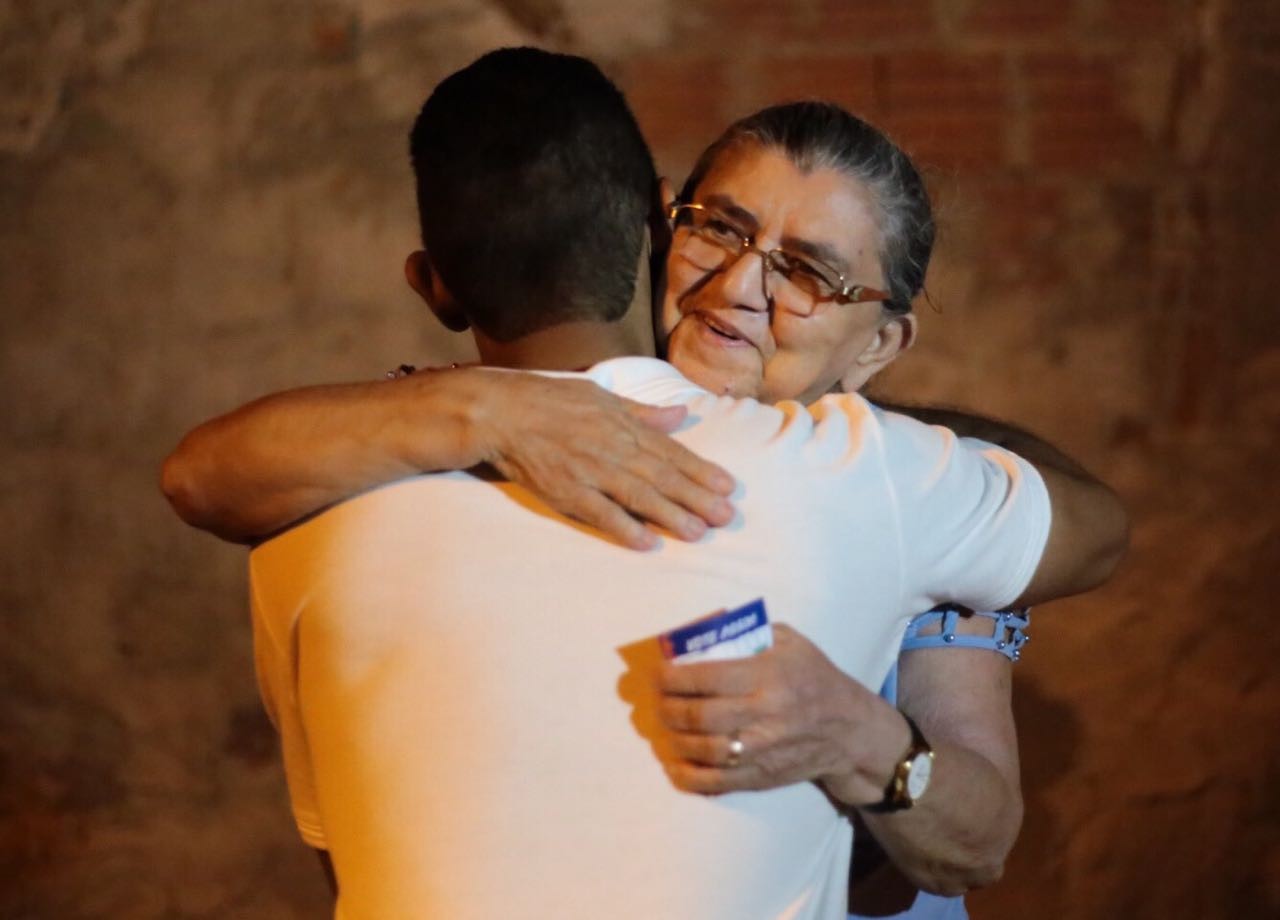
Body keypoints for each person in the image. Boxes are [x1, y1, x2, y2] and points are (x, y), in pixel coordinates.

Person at [162, 54, 1127, 919]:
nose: (741, 285)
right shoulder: (443, 445)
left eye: (806, 273)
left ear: (879, 344)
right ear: (657, 229)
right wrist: (482, 411)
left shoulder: (895, 491)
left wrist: (858, 738)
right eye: (721, 229)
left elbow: (975, 846)